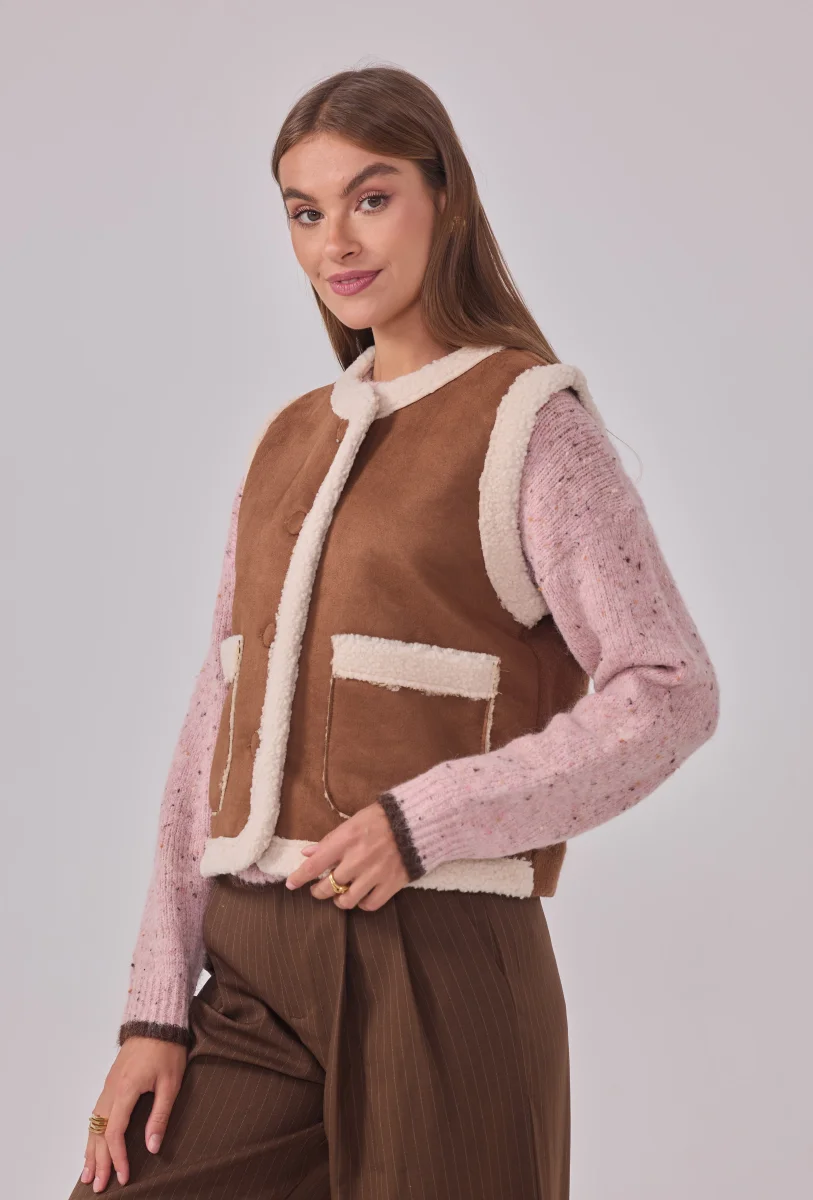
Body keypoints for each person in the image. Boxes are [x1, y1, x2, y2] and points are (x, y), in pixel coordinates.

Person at [68, 64, 720, 1199]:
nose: (336, 242)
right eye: (304, 211)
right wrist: (155, 1010)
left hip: (439, 961)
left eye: (370, 199)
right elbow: (213, 718)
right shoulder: (286, 440)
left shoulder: (529, 421)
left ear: (443, 197)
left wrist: (429, 822)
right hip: (255, 965)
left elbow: (670, 690)